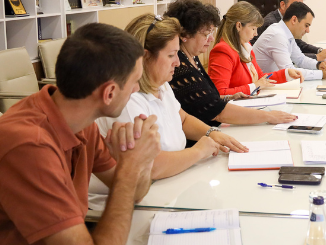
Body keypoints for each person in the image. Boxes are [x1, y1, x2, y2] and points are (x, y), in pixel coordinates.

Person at [0, 23, 161, 244]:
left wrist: (143, 156)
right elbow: (127, 186)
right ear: (109, 93)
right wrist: (129, 168)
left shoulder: (82, 123)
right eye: (134, 82)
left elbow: (135, 193)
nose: (136, 89)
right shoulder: (28, 146)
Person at [98, 14, 249, 181]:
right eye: (171, 55)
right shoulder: (127, 101)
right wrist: (198, 151)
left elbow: (182, 119)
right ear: (145, 57)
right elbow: (150, 166)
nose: (177, 62)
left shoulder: (161, 84)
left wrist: (211, 132)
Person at [164, 0, 297, 127]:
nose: (211, 39)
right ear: (185, 35)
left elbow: (210, 97)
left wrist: (228, 97)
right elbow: (216, 109)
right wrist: (268, 116)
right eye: (206, 34)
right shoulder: (183, 65)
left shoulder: (193, 58)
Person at [209, 1, 304, 95]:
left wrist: (286, 73)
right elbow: (220, 93)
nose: (256, 34)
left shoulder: (246, 46)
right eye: (253, 28)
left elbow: (261, 78)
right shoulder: (222, 51)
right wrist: (255, 86)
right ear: (239, 26)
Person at [253, 1, 326, 81]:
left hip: (272, 82)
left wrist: (318, 65)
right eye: (306, 25)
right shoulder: (277, 35)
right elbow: (290, 72)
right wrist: (325, 75)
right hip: (262, 86)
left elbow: (300, 59)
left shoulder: (285, 32)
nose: (308, 31)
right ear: (294, 20)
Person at [250, 0, 326, 61]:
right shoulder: (272, 24)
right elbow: (289, 56)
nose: (299, 11)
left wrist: (319, 51)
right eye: (295, 5)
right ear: (282, 5)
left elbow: (298, 44)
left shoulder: (286, 23)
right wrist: (317, 56)